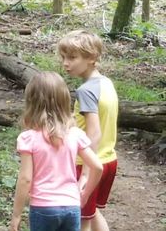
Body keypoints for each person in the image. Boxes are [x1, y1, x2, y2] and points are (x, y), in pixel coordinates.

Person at [11, 72, 104, 231]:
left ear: (32, 103)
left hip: (43, 207)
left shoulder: (29, 138)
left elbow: (25, 179)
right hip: (72, 206)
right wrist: (85, 194)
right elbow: (97, 167)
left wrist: (16, 215)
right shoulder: (75, 134)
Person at [58, 30, 119, 231]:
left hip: (89, 163)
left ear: (92, 58)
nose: (66, 63)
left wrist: (85, 174)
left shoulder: (85, 91)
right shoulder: (106, 83)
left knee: (81, 220)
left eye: (72, 58)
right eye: (64, 57)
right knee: (92, 214)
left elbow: (94, 133)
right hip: (109, 159)